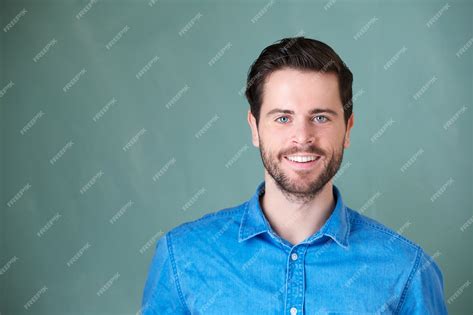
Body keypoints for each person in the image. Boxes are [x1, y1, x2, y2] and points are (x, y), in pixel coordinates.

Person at [141, 37, 448, 314]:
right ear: (254, 127)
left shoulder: (407, 271)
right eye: (283, 118)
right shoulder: (183, 257)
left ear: (348, 129)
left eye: (320, 117)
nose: (302, 137)